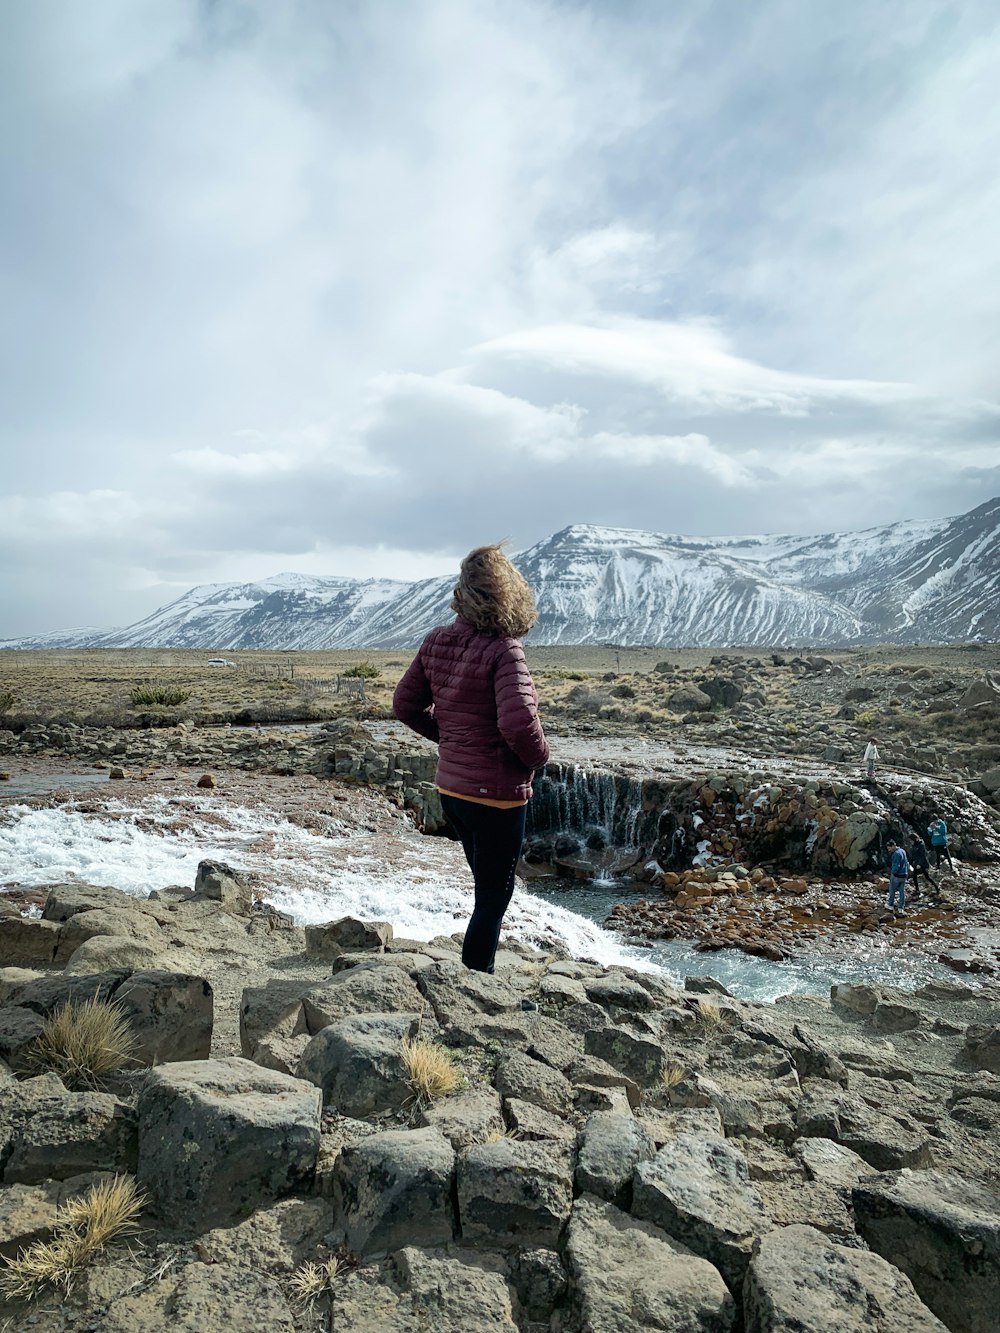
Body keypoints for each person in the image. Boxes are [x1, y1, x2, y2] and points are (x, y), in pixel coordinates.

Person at [393, 544, 549, 974]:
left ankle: (473, 975)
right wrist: (540, 758)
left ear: (464, 593)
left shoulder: (437, 641)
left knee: (485, 889)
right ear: (508, 594)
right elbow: (518, 725)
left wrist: (452, 741)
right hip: (496, 797)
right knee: (493, 900)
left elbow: (404, 706)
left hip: (453, 792)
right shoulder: (504, 650)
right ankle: (476, 984)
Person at [909, 835, 938, 901]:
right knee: (914, 876)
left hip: (923, 864)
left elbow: (923, 856)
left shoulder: (921, 845)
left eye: (911, 840)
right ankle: (917, 890)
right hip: (916, 863)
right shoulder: (914, 845)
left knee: (927, 876)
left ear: (915, 839)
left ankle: (936, 888)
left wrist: (919, 864)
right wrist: (910, 862)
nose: (910, 842)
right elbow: (913, 855)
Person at [885, 839, 909, 914]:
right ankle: (901, 907)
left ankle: (890, 904)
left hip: (897, 875)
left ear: (893, 846)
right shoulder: (902, 851)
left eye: (889, 848)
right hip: (904, 874)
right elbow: (906, 862)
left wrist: (892, 872)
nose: (889, 850)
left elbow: (896, 866)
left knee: (892, 890)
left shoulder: (896, 854)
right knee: (902, 891)